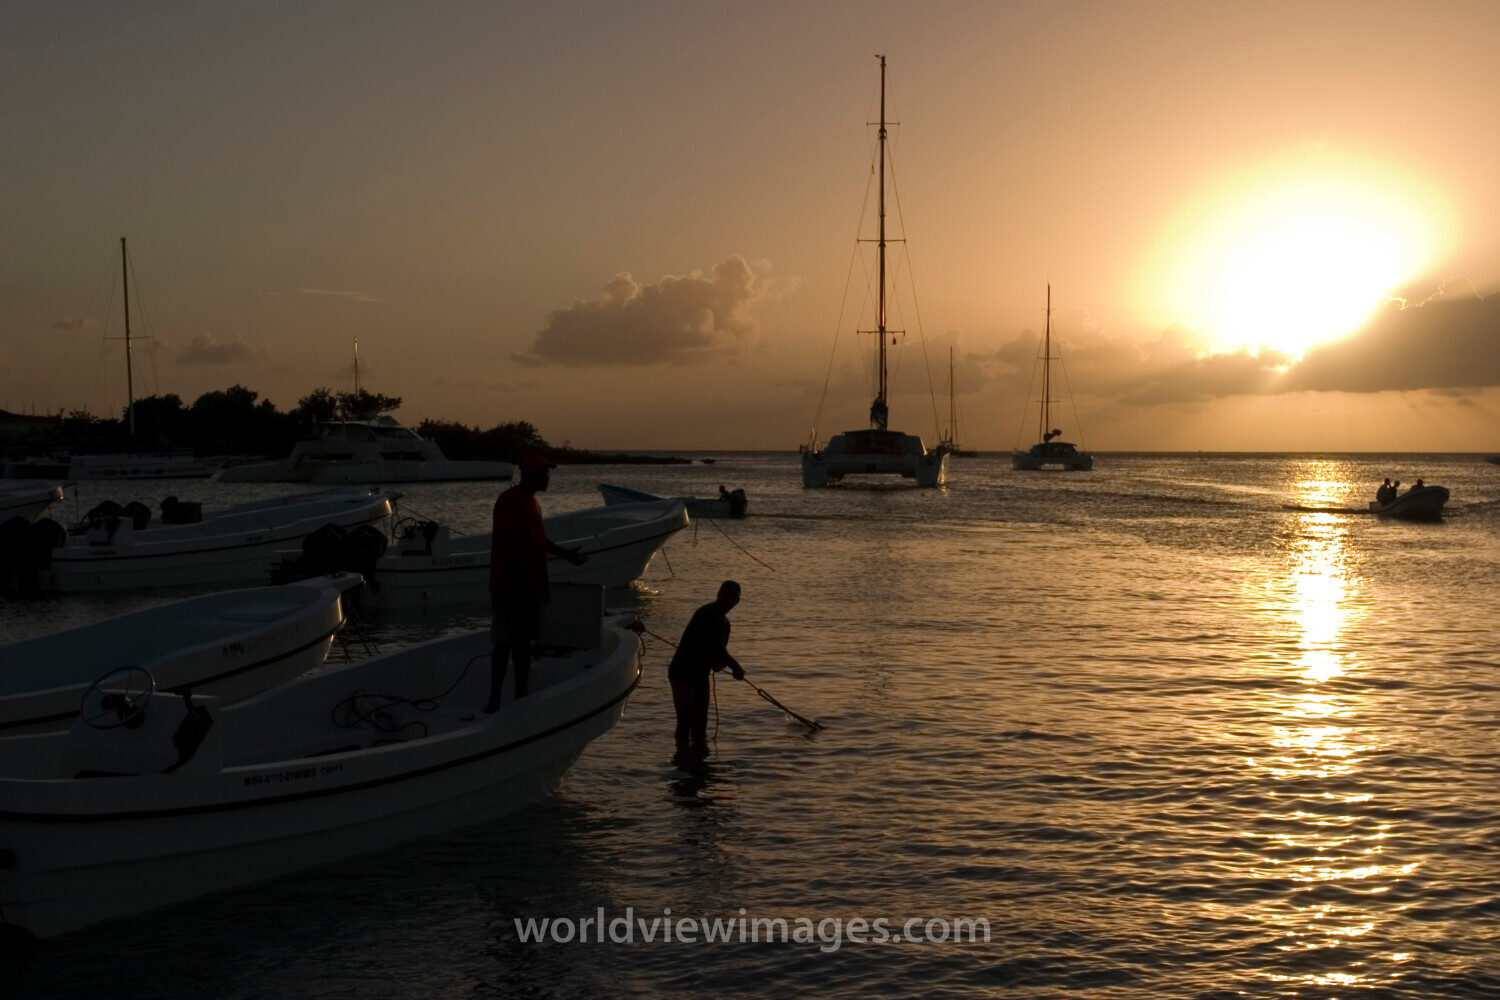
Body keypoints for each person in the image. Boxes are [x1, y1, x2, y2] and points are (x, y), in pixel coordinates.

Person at [486, 454, 586, 713]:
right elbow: (510, 544)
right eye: (544, 474)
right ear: (530, 475)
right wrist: (527, 583)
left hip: (528, 587)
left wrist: (565, 554)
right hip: (511, 587)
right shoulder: (510, 501)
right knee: (505, 643)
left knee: (523, 644)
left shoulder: (532, 503)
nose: (548, 478)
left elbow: (537, 540)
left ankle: (521, 696)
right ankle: (494, 702)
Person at [668, 580, 745, 748]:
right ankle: (681, 759)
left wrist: (718, 663)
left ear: (737, 601)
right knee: (685, 721)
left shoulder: (725, 623)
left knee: (700, 723)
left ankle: (699, 760)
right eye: (726, 595)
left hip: (701, 674)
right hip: (682, 671)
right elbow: (717, 646)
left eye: (733, 597)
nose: (729, 600)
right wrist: (735, 667)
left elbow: (717, 652)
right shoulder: (707, 613)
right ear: (718, 595)